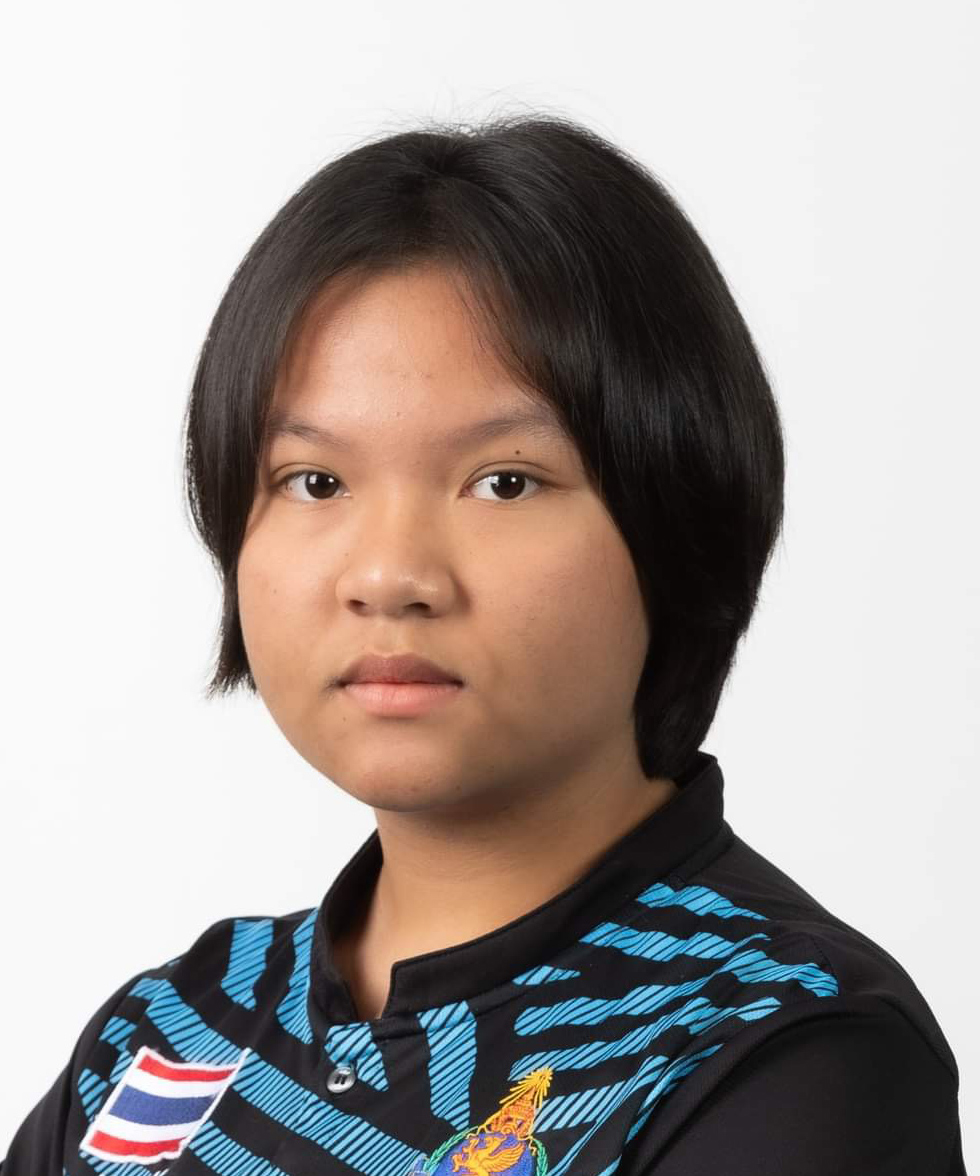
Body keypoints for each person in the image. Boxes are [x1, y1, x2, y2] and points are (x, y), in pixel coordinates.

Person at [2, 113, 966, 1174]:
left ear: (680, 521)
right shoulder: (171, 1028)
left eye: (504, 482)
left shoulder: (781, 1051)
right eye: (314, 481)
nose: (387, 576)